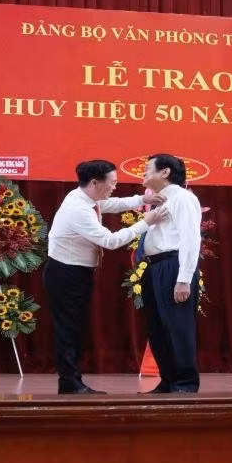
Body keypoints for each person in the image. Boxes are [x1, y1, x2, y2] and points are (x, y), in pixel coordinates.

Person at [44, 160, 168, 394]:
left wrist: (143, 200)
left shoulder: (84, 197)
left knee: (74, 329)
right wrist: (146, 222)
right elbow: (110, 241)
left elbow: (110, 204)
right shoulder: (78, 209)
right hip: (66, 274)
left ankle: (71, 381)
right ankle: (69, 383)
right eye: (112, 183)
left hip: (74, 272)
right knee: (68, 330)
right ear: (94, 183)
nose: (114, 186)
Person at [139, 154, 202, 393]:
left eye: (147, 169)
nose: (143, 173)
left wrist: (184, 278)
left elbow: (190, 238)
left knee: (178, 326)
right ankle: (168, 380)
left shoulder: (183, 198)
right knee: (157, 328)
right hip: (155, 267)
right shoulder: (157, 200)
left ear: (165, 172)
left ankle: (185, 383)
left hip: (173, 266)